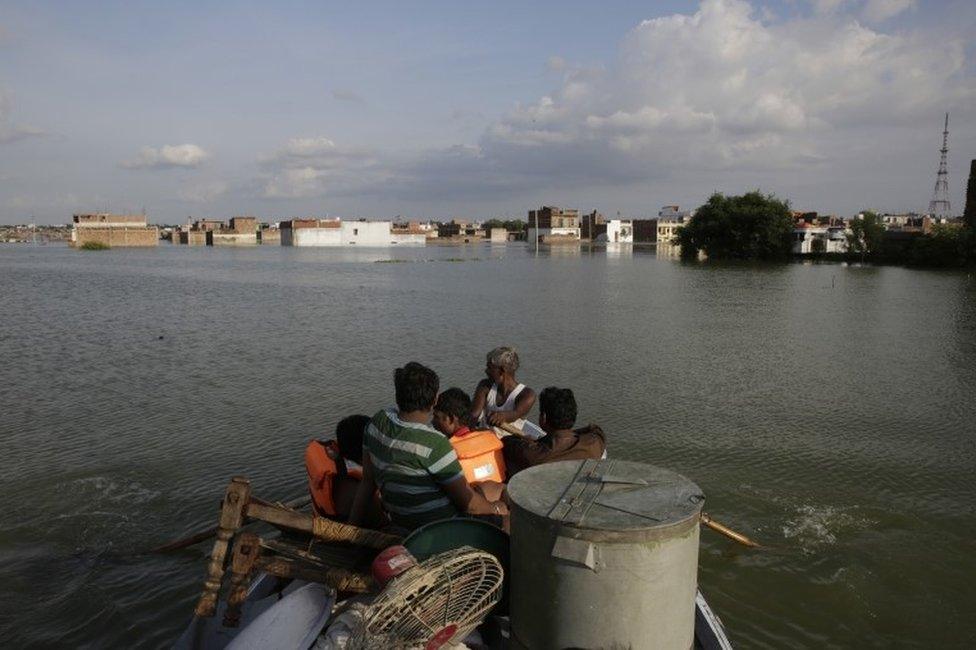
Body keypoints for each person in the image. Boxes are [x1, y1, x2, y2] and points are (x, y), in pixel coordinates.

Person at [349, 362, 508, 532]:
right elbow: (470, 506)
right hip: (440, 529)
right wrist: (497, 510)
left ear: (397, 396)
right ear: (435, 400)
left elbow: (367, 481)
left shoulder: (376, 423)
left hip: (401, 520)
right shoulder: (435, 444)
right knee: (508, 516)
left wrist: (350, 529)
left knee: (491, 487)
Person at [502, 386, 606, 477]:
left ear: (544, 418)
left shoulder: (533, 454)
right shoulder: (594, 442)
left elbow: (507, 441)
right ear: (574, 415)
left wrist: (530, 441)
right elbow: (593, 428)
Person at [304, 414, 385, 526]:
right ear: (368, 448)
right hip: (361, 533)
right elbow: (383, 523)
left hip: (330, 519)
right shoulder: (361, 492)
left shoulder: (339, 468)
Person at [432, 387, 507, 485]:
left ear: (450, 418)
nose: (433, 422)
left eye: (436, 417)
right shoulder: (489, 435)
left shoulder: (445, 450)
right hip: (498, 487)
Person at [471, 346, 537, 436]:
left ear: (502, 370)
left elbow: (515, 415)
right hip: (485, 439)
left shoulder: (527, 394)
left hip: (510, 444)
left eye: (490, 368)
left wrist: (502, 416)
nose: (486, 371)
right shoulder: (485, 385)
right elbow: (474, 414)